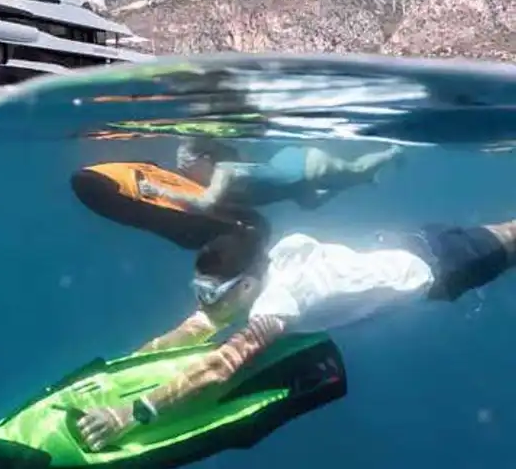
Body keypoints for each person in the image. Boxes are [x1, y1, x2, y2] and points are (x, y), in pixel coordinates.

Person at [75, 218, 516, 451]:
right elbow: (200, 326)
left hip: (442, 269)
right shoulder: (268, 260)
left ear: (247, 286)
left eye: (212, 294)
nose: (204, 304)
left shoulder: (278, 304)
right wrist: (126, 366)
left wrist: (133, 413)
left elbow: (221, 366)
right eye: (198, 292)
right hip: (407, 243)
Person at [138, 136, 404, 212]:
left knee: (356, 169)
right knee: (310, 204)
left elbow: (207, 203)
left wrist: (158, 190)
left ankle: (392, 152)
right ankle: (360, 181)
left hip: (307, 165)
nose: (184, 174)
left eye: (186, 169)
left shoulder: (224, 171)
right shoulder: (217, 177)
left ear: (205, 159)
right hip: (290, 175)